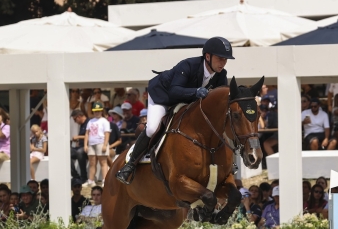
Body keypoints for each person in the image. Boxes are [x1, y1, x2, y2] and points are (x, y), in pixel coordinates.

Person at [116, 37, 233, 185]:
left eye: (225, 59)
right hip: (163, 97)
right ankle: (130, 165)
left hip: (187, 101)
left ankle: (227, 161)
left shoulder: (221, 75)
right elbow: (174, 91)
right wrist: (196, 91)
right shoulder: (188, 65)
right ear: (208, 56)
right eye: (220, 58)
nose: (223, 63)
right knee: (152, 128)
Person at [85, 102, 111, 186]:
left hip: (100, 142)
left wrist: (105, 144)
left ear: (101, 111)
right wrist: (85, 144)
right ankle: (91, 180)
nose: (97, 112)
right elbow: (87, 133)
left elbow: (107, 133)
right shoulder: (90, 121)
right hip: (91, 143)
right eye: (95, 111)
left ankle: (105, 180)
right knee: (92, 163)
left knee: (103, 162)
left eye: (99, 111)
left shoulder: (105, 121)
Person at [70, 109, 89, 182]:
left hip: (88, 146)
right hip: (80, 146)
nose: (75, 122)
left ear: (79, 117)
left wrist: (78, 137)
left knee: (79, 153)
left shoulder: (89, 123)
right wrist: (78, 140)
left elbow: (90, 136)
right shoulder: (81, 125)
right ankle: (75, 175)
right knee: (67, 152)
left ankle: (83, 177)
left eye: (75, 119)